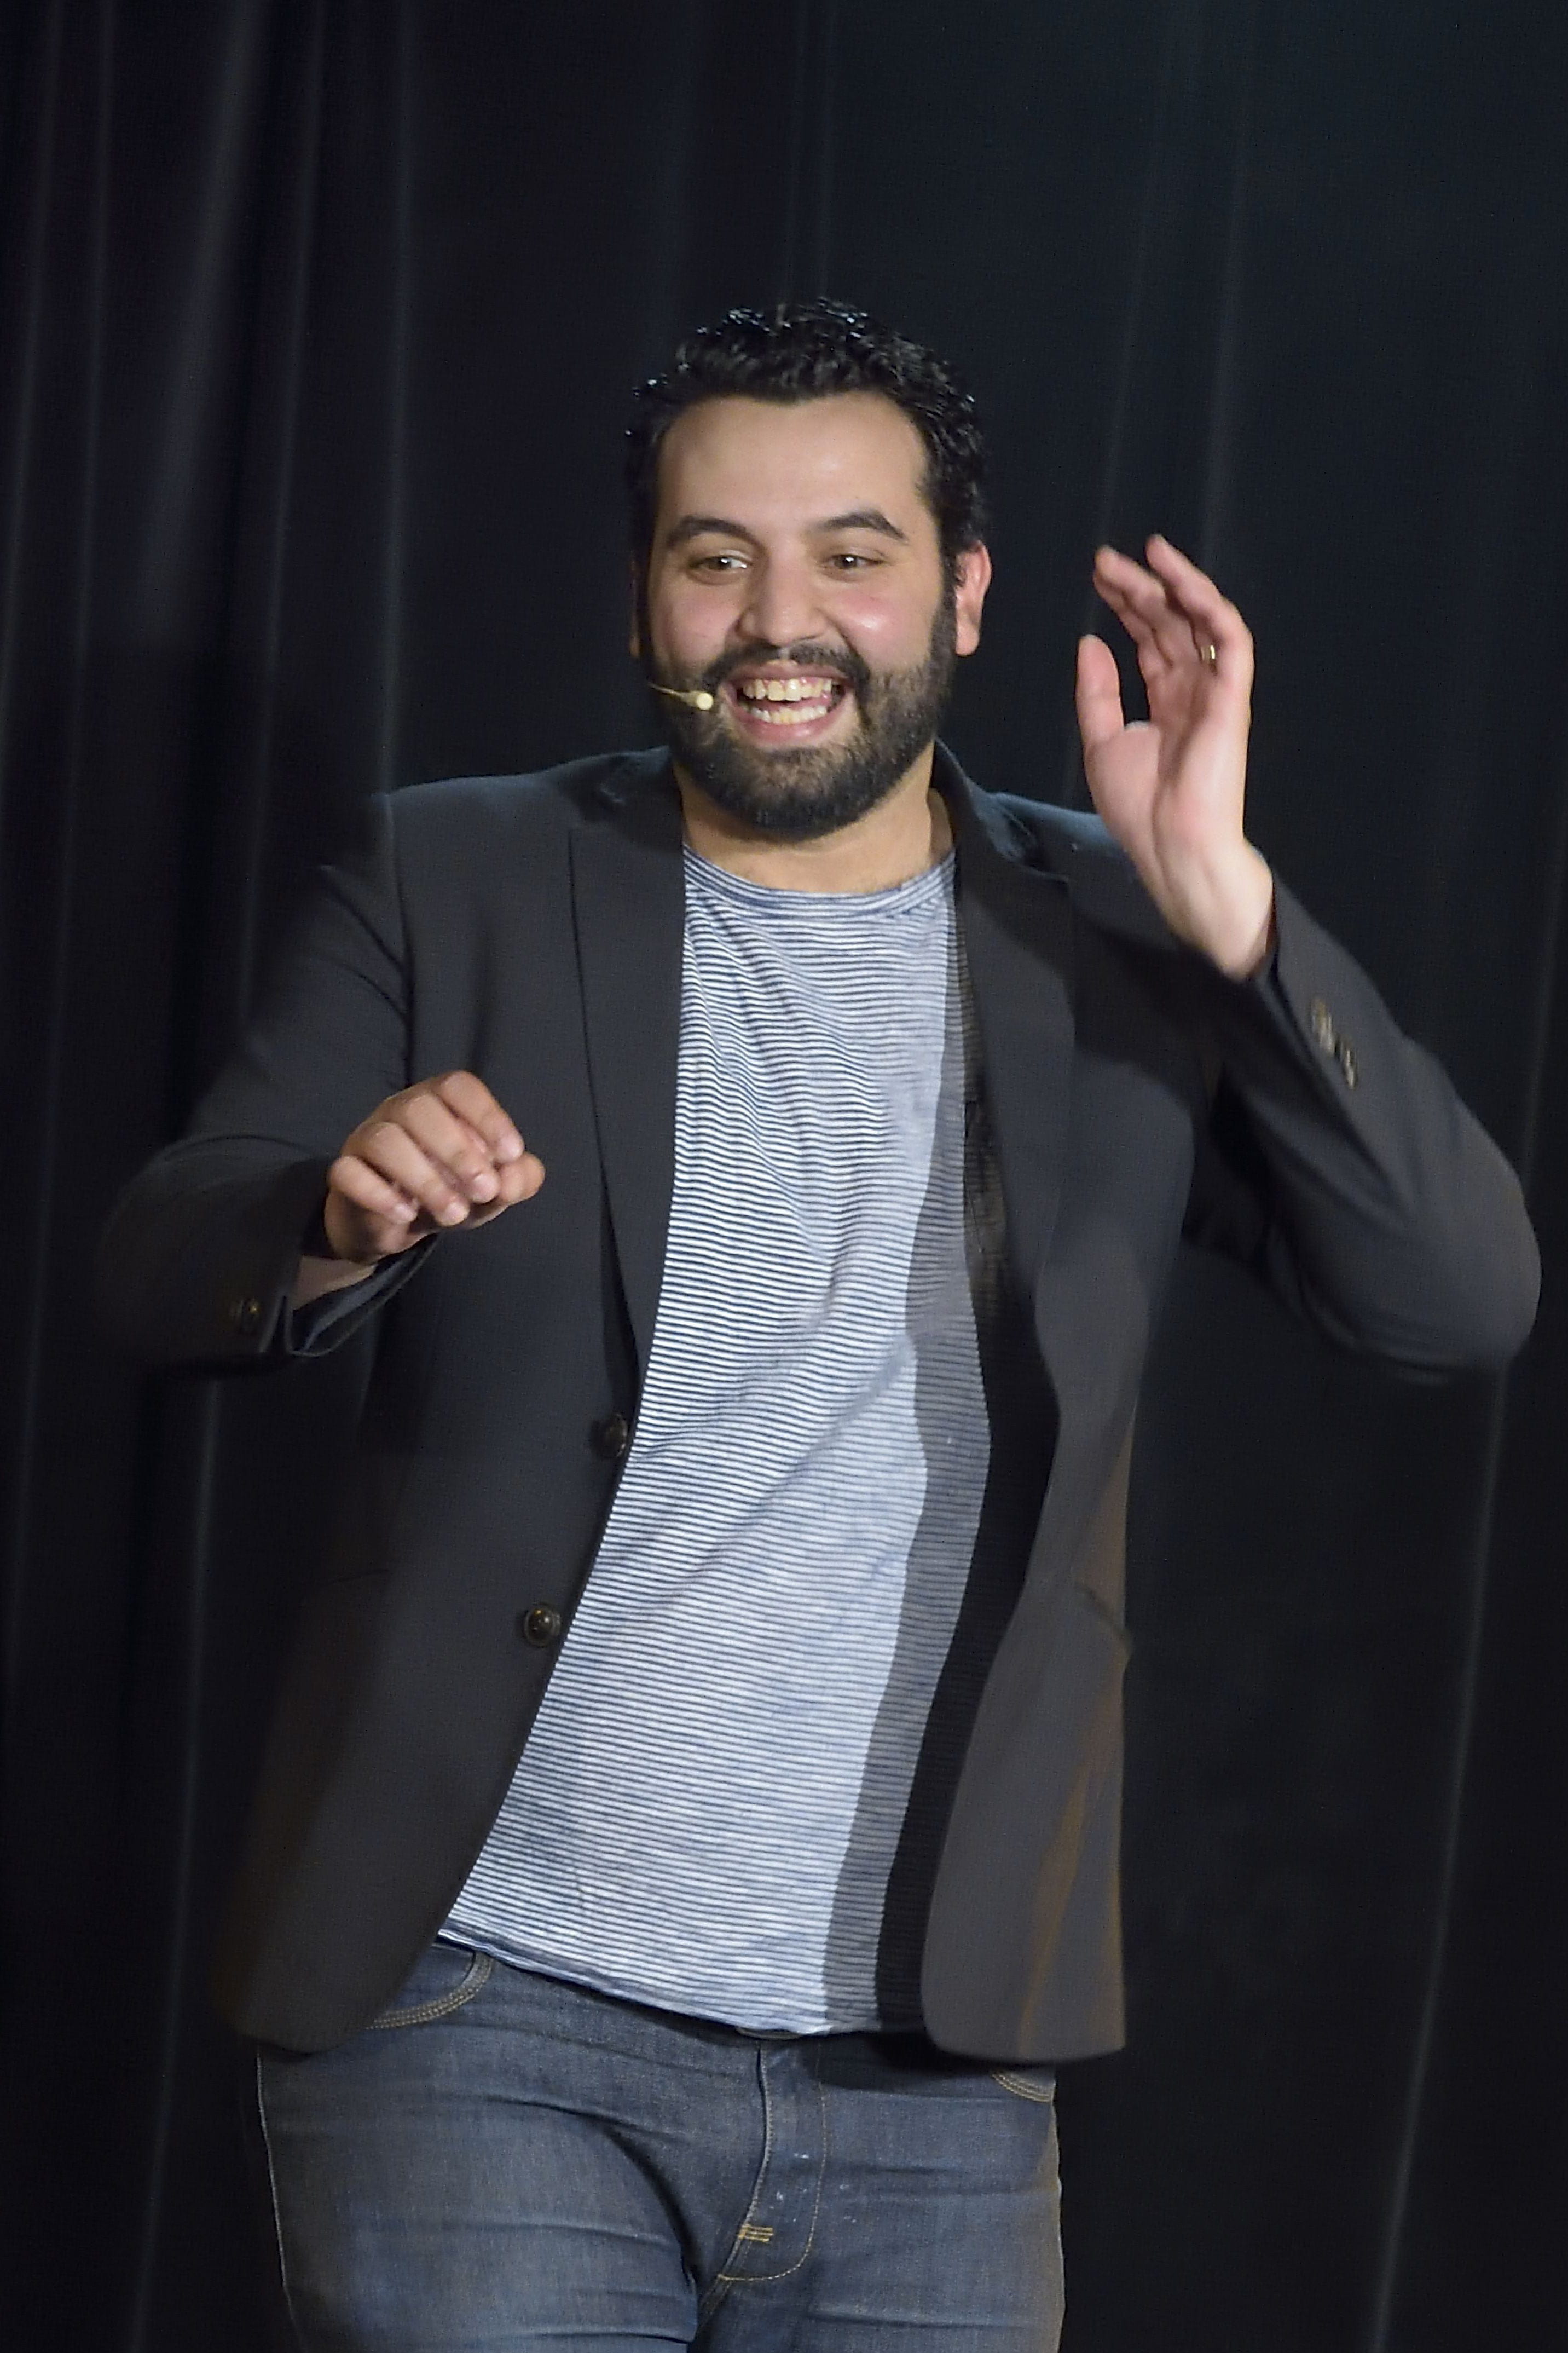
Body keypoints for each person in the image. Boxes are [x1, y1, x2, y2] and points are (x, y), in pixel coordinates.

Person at [100, 302, 1538, 2353]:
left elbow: (1451, 1293)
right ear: (641, 599)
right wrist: (332, 1211)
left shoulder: (1114, 937)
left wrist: (1228, 908)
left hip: (931, 2080)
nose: (782, 621)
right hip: (484, 2010)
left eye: (851, 554)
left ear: (960, 593)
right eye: (717, 558)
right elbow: (162, 1258)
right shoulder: (456, 872)